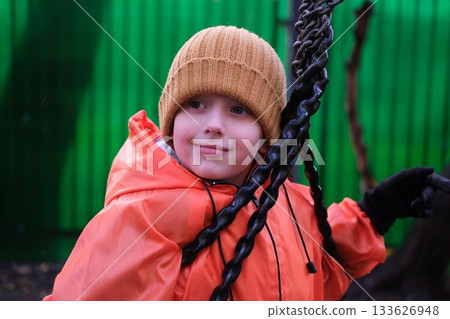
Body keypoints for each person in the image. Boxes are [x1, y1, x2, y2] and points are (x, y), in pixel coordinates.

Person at [44, 26, 444, 301]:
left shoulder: (284, 201)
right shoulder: (139, 220)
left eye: (238, 110)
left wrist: (374, 214)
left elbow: (314, 269)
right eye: (196, 104)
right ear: (170, 120)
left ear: (266, 134)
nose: (213, 126)